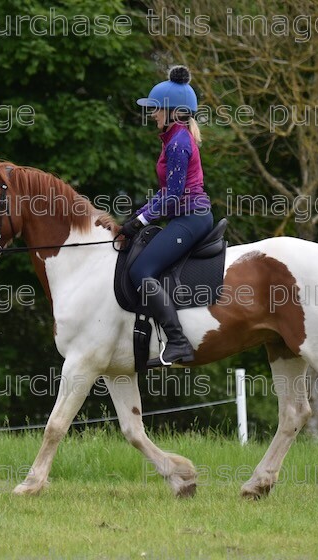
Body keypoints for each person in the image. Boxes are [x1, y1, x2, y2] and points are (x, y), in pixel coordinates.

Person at [119, 65, 213, 367]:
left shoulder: (178, 144)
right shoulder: (174, 139)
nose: (152, 114)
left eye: (156, 109)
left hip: (191, 218)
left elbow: (172, 195)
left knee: (140, 271)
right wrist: (138, 217)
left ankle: (177, 341)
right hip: (184, 216)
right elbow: (166, 194)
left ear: (173, 112)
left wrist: (142, 220)